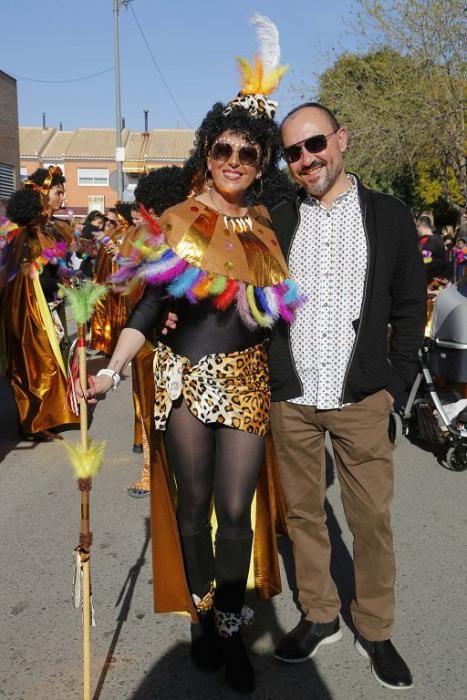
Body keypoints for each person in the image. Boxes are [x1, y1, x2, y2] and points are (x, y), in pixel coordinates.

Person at [78, 16, 298, 694]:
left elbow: (276, 309)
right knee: (192, 502)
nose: (234, 160)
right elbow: (147, 309)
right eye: (224, 148)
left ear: (260, 163)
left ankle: (229, 626)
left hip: (246, 377)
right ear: (206, 151)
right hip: (181, 377)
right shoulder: (176, 222)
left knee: (236, 513)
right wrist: (112, 370)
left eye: (248, 153)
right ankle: (204, 614)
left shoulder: (262, 224)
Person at [266, 102, 427, 690]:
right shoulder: (278, 218)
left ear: (341, 141)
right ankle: (320, 615)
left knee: (370, 522)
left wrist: (394, 384)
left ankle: (377, 628)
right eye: (293, 152)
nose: (307, 159)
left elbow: (411, 306)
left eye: (315, 145)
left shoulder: (387, 215)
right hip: (294, 398)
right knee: (305, 516)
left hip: (362, 398)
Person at [120, 166, 191, 497]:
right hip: (148, 341)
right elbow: (137, 294)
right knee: (149, 410)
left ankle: (164, 475)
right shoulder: (142, 237)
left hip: (183, 350)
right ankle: (152, 472)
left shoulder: (192, 239)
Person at [1, 166, 80, 441]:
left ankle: (47, 416)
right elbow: (26, 281)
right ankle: (35, 421)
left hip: (47, 307)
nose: (62, 197)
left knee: (52, 360)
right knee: (37, 364)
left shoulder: (51, 228)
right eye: (58, 192)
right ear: (43, 195)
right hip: (30, 314)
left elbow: (55, 269)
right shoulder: (25, 235)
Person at [88, 204, 132, 356]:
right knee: (103, 314)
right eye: (106, 220)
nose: (108, 223)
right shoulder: (109, 233)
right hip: (104, 281)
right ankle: (104, 345)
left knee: (117, 316)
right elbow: (101, 259)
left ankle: (115, 348)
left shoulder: (126, 234)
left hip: (119, 283)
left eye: (111, 220)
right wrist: (96, 277)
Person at [416, 214, 447, 283]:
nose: (416, 231)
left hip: (428, 282)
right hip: (434, 280)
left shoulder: (428, 241)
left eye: (416, 227)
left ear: (420, 226)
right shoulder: (437, 239)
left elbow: (425, 263)